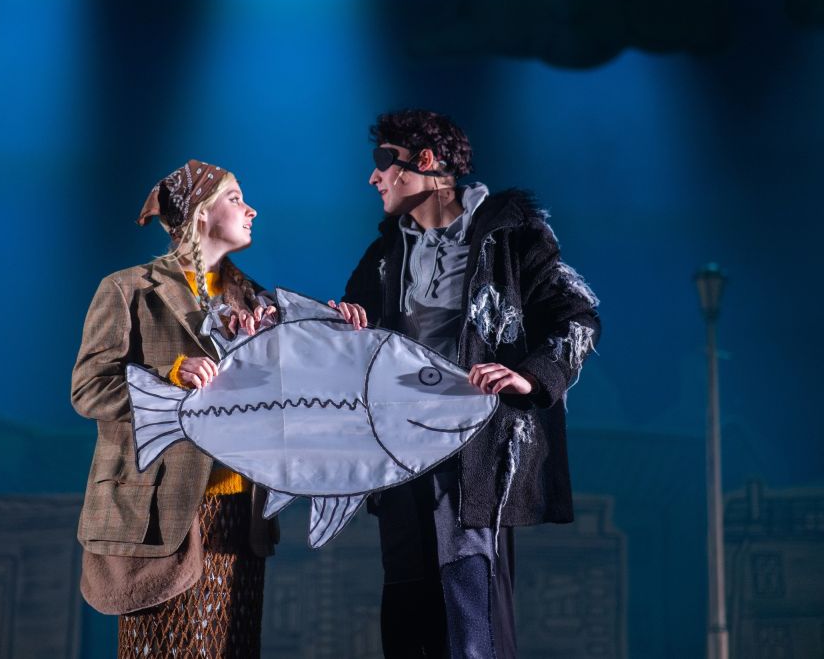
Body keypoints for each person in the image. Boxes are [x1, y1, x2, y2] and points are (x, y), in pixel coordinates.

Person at [336, 109, 602, 658]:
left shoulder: (509, 235)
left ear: (425, 161)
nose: (374, 176)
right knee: (408, 612)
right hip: (400, 453)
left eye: (384, 161)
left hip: (472, 454)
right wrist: (345, 327)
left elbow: (579, 317)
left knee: (470, 616)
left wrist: (529, 375)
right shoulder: (387, 252)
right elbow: (354, 339)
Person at [71, 159, 279, 658]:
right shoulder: (128, 289)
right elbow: (89, 390)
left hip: (239, 514)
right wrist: (168, 376)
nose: (251, 210)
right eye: (235, 199)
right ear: (201, 212)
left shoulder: (256, 301)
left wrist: (309, 344)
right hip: (158, 515)